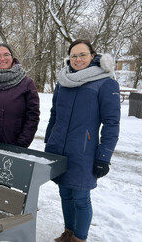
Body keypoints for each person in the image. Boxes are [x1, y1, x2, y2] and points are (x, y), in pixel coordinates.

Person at [44, 39, 120, 242]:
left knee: (80, 197)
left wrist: (104, 156)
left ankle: (79, 238)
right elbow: (54, 114)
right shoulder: (63, 81)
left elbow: (112, 123)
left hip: (84, 152)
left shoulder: (106, 82)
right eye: (74, 55)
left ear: (93, 56)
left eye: (82, 55)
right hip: (59, 149)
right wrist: (49, 141)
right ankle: (68, 233)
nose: (78, 59)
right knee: (65, 194)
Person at [0, 43, 40, 148]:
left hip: (15, 147)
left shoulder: (27, 83)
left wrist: (22, 144)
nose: (2, 58)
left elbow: (32, 116)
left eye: (6, 54)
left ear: (12, 57)